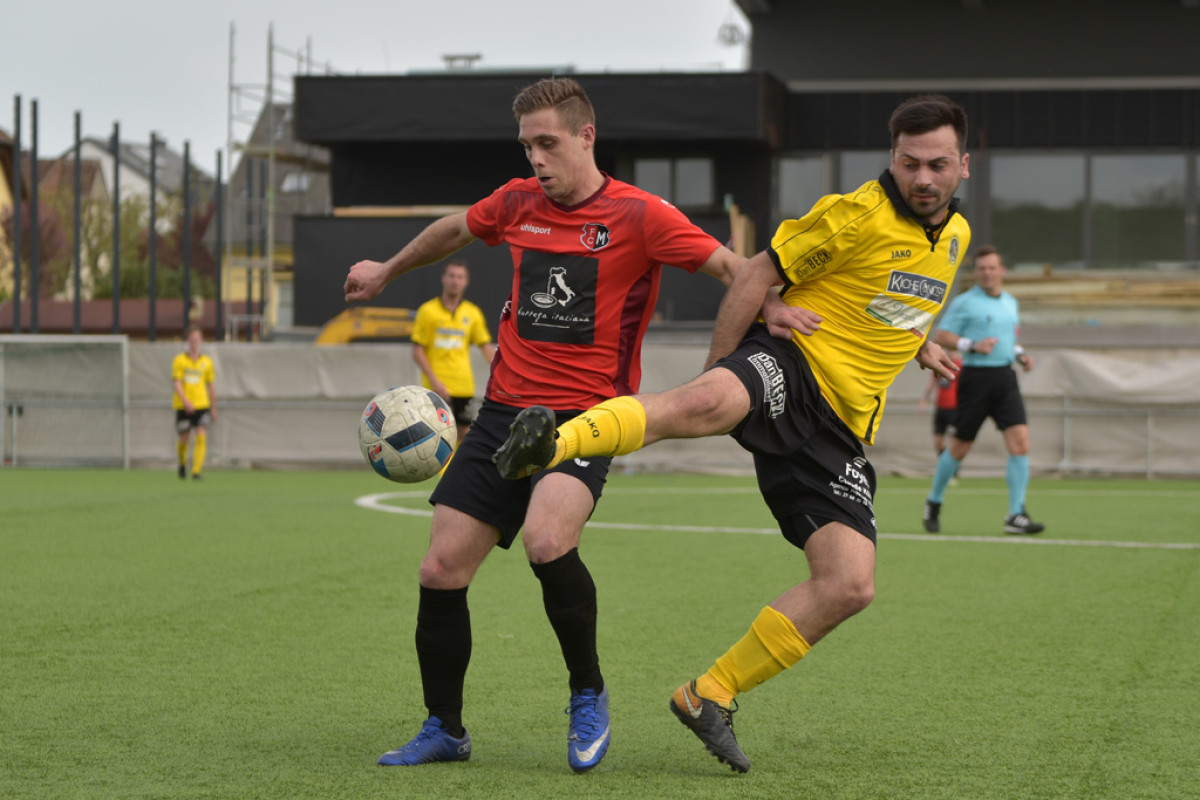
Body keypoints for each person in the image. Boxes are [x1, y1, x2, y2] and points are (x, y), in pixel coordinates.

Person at [493, 93, 970, 773]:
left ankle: (708, 694)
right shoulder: (853, 212)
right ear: (892, 158)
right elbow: (755, 272)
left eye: (938, 165)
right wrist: (720, 367)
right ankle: (554, 443)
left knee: (849, 584)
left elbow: (897, 294)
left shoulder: (953, 236)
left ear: (963, 166)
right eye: (910, 162)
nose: (923, 178)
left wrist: (917, 341)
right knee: (705, 404)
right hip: (792, 362)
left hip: (838, 429)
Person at [342, 77, 796, 773]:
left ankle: (588, 693)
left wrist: (773, 307)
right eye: (527, 146)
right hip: (502, 413)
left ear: (587, 137)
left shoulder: (643, 215)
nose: (536, 160)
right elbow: (452, 229)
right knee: (439, 570)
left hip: (588, 420)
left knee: (548, 542)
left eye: (548, 143)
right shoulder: (516, 203)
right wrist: (386, 269)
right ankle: (445, 728)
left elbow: (735, 267)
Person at [921, 245, 1044, 535]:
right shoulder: (965, 302)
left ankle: (1016, 514)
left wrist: (1021, 355)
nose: (987, 273)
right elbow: (942, 336)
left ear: (1002, 271)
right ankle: (934, 500)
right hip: (976, 379)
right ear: (976, 272)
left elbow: (1006, 340)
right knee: (960, 447)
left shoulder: (1010, 303)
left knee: (1020, 443)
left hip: (1005, 378)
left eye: (992, 267)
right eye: (982, 268)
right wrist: (972, 345)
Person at [411, 259, 497, 445]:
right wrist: (434, 381)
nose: (455, 281)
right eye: (451, 276)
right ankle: (442, 475)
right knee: (436, 436)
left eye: (460, 277)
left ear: (466, 282)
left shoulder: (472, 313)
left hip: (463, 385)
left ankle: (457, 474)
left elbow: (486, 346)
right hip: (436, 387)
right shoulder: (427, 311)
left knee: (465, 435)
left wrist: (502, 370)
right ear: (443, 278)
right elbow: (418, 350)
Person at [171, 324, 217, 480]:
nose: (194, 342)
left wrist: (213, 407)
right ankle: (182, 463)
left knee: (201, 435)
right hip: (183, 405)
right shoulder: (179, 361)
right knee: (184, 438)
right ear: (187, 341)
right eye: (191, 339)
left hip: (202, 404)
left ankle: (196, 471)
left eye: (197, 339)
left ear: (201, 340)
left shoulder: (207, 362)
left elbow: (210, 384)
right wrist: (185, 401)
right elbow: (177, 382)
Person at [918, 350, 962, 458]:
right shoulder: (940, 365)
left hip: (954, 409)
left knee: (953, 440)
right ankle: (943, 461)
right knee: (938, 440)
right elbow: (931, 384)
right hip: (941, 408)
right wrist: (924, 401)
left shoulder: (960, 365)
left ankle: (952, 467)